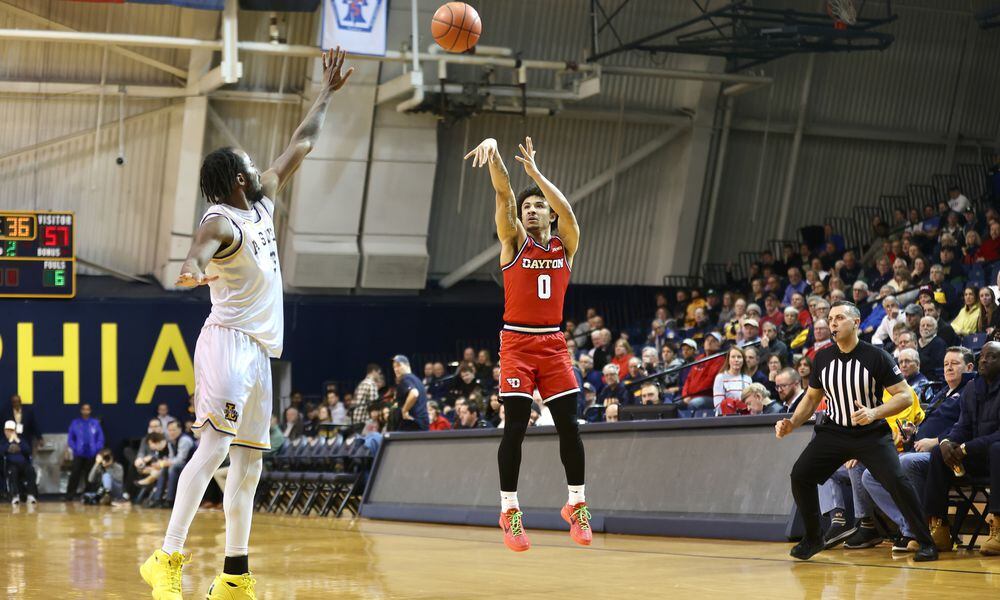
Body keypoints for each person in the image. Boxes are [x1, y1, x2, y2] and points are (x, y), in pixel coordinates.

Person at [140, 47, 355, 600]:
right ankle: (166, 558)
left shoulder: (261, 201)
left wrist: (327, 92)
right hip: (227, 345)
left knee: (249, 466)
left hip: (258, 351)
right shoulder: (221, 217)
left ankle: (234, 575)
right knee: (212, 451)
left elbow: (301, 142)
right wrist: (190, 269)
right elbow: (198, 249)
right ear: (237, 176)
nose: (260, 163)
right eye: (249, 161)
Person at [465, 134, 590, 552]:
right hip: (517, 343)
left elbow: (569, 211)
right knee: (515, 428)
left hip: (553, 344)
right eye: (526, 207)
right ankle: (510, 511)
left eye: (538, 205)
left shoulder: (565, 243)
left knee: (569, 427)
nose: (531, 210)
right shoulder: (513, 242)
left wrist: (535, 174)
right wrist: (496, 150)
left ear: (548, 214)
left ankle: (576, 504)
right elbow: (502, 191)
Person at [775, 301, 938, 562]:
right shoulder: (823, 358)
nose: (833, 323)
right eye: (830, 319)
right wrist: (792, 422)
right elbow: (811, 398)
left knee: (898, 481)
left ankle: (925, 540)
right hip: (833, 432)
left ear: (856, 323)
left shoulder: (876, 356)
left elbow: (905, 397)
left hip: (871, 433)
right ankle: (814, 537)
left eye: (839, 318)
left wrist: (874, 412)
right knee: (800, 476)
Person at [861, 346, 974, 553]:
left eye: (955, 363)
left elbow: (966, 427)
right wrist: (914, 431)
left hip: (945, 455)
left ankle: (919, 529)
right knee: (870, 475)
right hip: (916, 449)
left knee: (906, 463)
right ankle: (911, 526)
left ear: (969, 367)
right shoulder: (943, 391)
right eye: (946, 364)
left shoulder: (970, 391)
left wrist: (936, 440)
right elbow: (929, 421)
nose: (949, 367)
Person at [921, 342, 1000, 555]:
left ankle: (998, 527)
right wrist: (947, 442)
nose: (984, 360)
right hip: (974, 456)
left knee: (997, 448)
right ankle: (939, 526)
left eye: (992, 356)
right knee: (938, 453)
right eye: (982, 355)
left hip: (994, 458)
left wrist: (966, 448)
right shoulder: (972, 388)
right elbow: (962, 427)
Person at [66, 403, 104, 501]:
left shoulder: (95, 423)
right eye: (84, 409)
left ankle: (88, 495)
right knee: (75, 474)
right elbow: (70, 439)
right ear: (81, 410)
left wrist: (97, 449)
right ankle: (70, 495)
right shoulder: (75, 423)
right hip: (79, 454)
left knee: (90, 476)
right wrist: (75, 448)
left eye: (88, 409)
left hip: (91, 454)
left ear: (90, 411)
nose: (85, 411)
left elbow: (100, 438)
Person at [680, 333, 725, 410]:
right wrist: (685, 395)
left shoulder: (720, 360)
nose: (709, 342)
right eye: (707, 340)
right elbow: (689, 379)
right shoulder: (699, 358)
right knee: (674, 406)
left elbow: (709, 382)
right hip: (691, 396)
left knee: (694, 403)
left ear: (719, 345)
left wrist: (691, 396)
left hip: (708, 397)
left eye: (713, 341)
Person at [2, 420, 38, 505]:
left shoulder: (21, 440)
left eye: (11, 431)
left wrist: (18, 441)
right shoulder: (3, 441)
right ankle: (15, 496)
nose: (9, 433)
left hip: (23, 464)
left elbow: (28, 450)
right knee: (13, 471)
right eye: (7, 431)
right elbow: (1, 451)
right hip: (11, 465)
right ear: (4, 431)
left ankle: (31, 495)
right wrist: (9, 442)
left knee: (31, 470)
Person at [391, 355, 430, 431]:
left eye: (399, 365)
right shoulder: (418, 380)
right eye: (394, 367)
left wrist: (404, 410)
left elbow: (414, 394)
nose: (396, 369)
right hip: (422, 424)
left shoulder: (406, 379)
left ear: (407, 365)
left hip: (411, 424)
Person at [713, 347, 752, 416]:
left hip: (744, 417)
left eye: (739, 357)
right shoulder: (720, 378)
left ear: (743, 360)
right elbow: (718, 405)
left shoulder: (748, 379)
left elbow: (750, 403)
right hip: (725, 418)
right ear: (728, 360)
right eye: (733, 357)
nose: (736, 360)